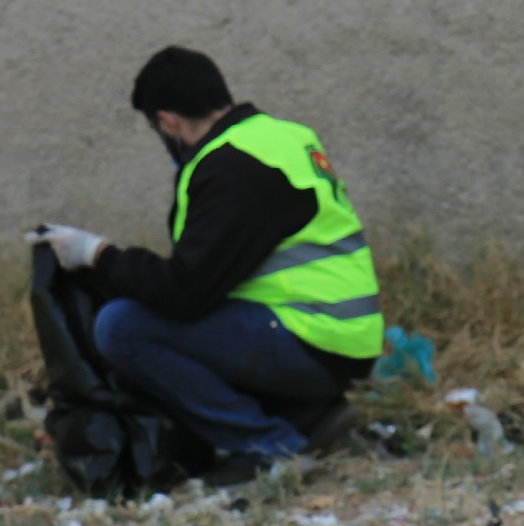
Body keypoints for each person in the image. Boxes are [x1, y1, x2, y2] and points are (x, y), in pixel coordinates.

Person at [27, 47, 382, 484]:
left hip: (310, 338)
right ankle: (308, 414)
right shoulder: (281, 137)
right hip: (340, 339)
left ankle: (268, 447)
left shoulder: (233, 167)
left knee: (122, 327)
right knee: (169, 324)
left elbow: (185, 294)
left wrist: (98, 255)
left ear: (168, 122)